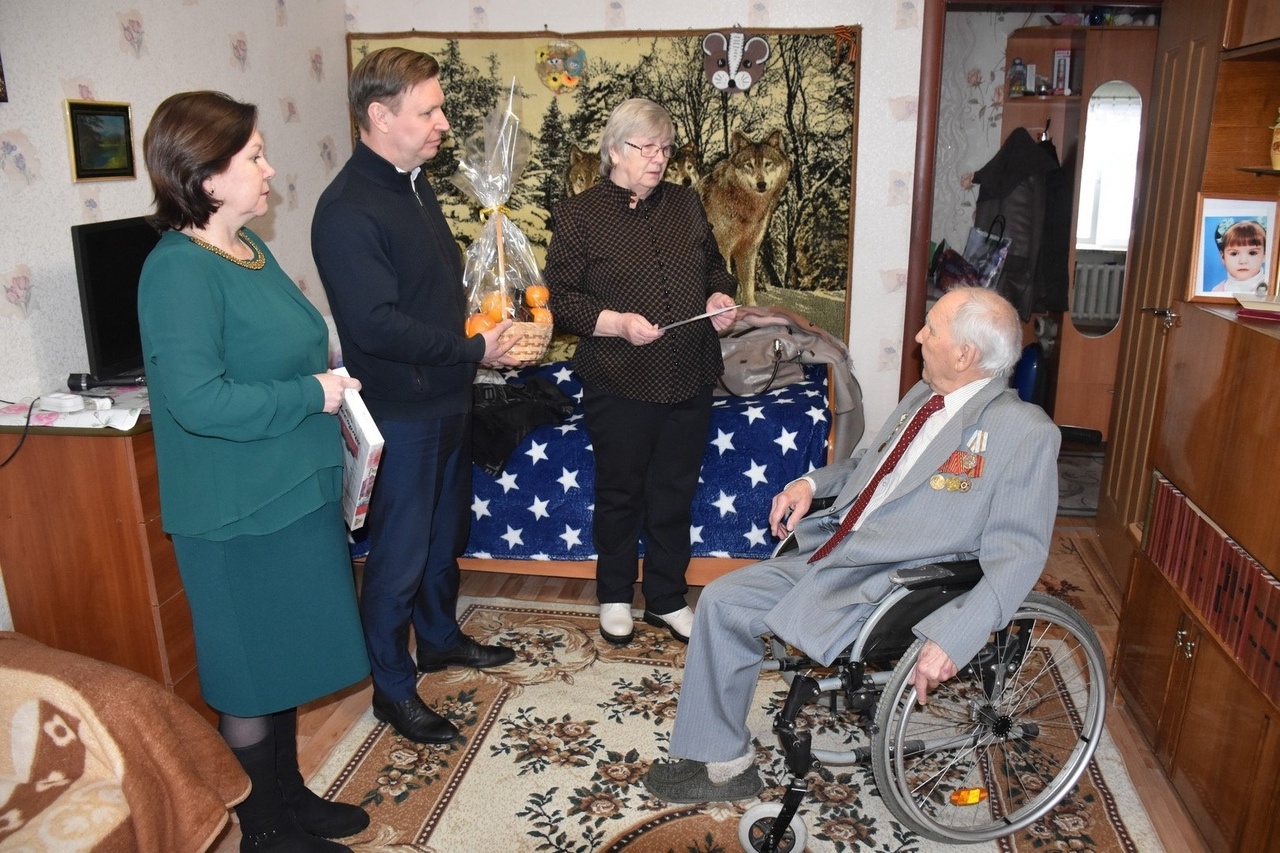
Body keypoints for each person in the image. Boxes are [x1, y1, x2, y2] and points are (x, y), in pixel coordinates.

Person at [641, 286, 1060, 804]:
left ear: (964, 354)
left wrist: (955, 637)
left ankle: (723, 766)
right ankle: (724, 758)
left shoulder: (1023, 431)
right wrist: (810, 484)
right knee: (722, 600)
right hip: (837, 547)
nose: (918, 337)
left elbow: (1020, 551)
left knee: (732, 606)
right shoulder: (924, 397)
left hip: (889, 584)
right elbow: (873, 467)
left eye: (931, 329)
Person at [138, 91, 370, 851]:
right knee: (249, 675)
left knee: (284, 660)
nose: (270, 169)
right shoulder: (176, 271)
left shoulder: (248, 249)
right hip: (235, 512)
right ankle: (263, 828)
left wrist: (326, 385)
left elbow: (284, 347)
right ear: (207, 176)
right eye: (255, 157)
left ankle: (290, 798)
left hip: (292, 491)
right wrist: (311, 393)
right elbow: (197, 400)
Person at [311, 47, 520, 747]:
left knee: (441, 541)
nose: (443, 122)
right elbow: (376, 324)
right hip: (403, 411)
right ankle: (392, 691)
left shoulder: (414, 183)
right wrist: (473, 350)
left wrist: (475, 332)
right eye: (429, 111)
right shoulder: (347, 209)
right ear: (380, 115)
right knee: (397, 560)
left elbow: (430, 294)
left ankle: (438, 639)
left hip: (448, 397)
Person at [544, 98, 738, 646]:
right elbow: (561, 299)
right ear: (613, 150)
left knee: (674, 491)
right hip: (619, 376)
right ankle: (613, 594)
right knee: (621, 491)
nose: (658, 159)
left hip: (689, 372)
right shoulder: (579, 215)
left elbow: (714, 267)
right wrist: (617, 323)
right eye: (646, 148)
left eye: (665, 149)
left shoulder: (685, 203)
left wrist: (719, 295)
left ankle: (667, 598)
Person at [1210, 219, 1267, 294]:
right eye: (1234, 254)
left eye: (1252, 253)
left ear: (1264, 255)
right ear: (1223, 257)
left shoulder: (1271, 288)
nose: (1243, 261)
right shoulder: (1217, 291)